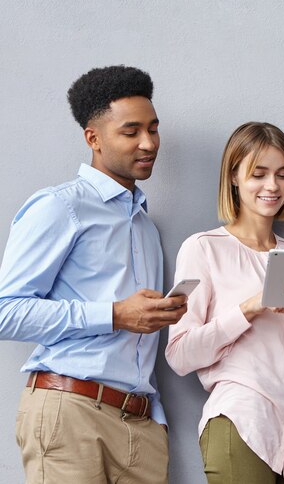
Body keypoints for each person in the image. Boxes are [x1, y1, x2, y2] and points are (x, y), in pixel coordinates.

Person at [0, 65, 188, 483]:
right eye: (131, 131)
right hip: (71, 412)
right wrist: (116, 314)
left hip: (139, 426)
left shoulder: (145, 225)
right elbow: (5, 312)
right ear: (93, 138)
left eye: (154, 129)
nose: (149, 143)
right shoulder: (59, 207)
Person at [165, 121, 284, 483]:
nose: (272, 186)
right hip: (241, 423)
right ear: (233, 177)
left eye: (282, 174)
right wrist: (248, 309)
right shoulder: (204, 248)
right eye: (258, 174)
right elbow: (179, 355)